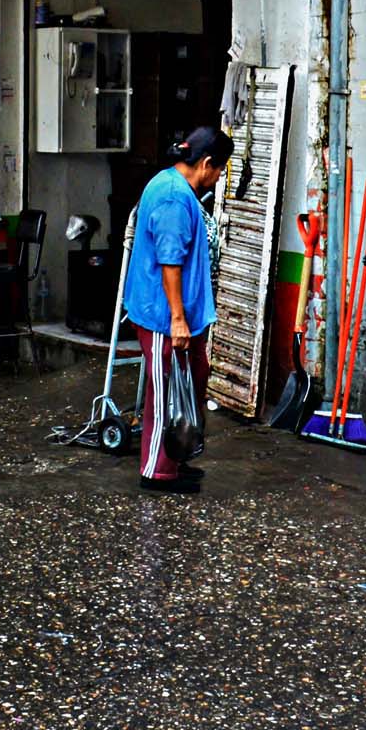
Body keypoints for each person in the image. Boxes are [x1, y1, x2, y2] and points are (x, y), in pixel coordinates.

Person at [122, 126, 232, 494]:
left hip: (178, 314)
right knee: (163, 390)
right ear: (205, 164)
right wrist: (178, 320)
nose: (218, 177)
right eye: (219, 170)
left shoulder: (174, 186)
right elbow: (170, 262)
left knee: (188, 382)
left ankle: (176, 457)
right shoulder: (172, 197)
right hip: (163, 316)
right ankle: (156, 471)